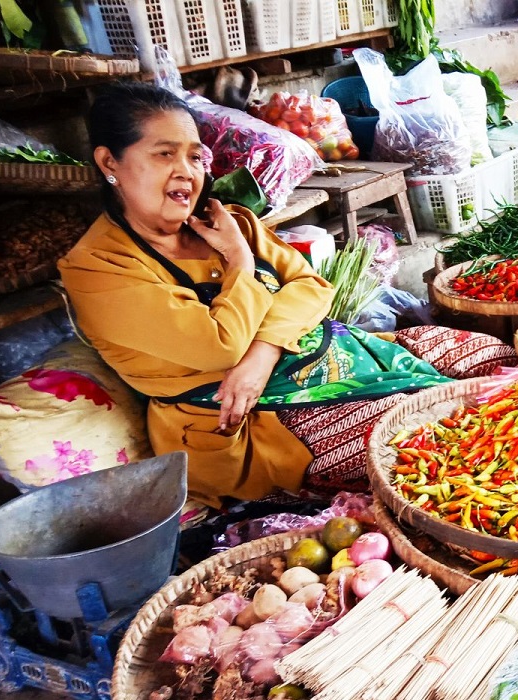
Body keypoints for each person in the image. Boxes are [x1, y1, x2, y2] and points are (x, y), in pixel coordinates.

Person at [58, 82, 450, 508]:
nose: (187, 172)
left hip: (333, 357)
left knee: (486, 357)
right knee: (440, 435)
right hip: (254, 427)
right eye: (164, 154)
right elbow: (220, 345)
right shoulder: (99, 268)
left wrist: (263, 351)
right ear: (109, 162)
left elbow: (312, 286)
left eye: (195, 156)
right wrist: (242, 263)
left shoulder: (229, 223)